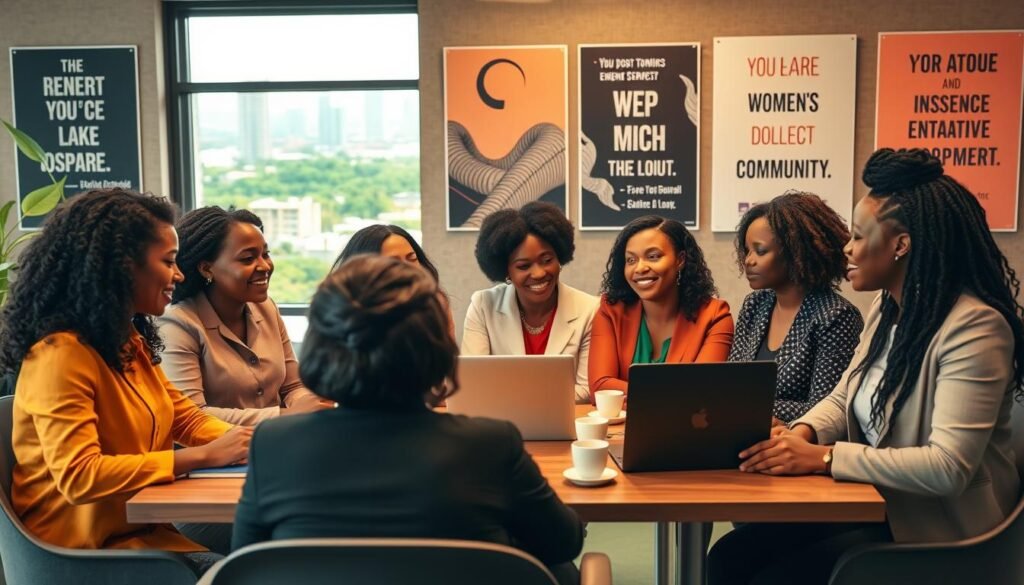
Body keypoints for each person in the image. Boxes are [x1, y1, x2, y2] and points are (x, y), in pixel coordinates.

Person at [710, 148, 1024, 585]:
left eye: (858, 236)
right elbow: (844, 396)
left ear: (900, 245)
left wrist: (823, 457)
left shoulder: (976, 329)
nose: (847, 248)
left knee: (763, 572)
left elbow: (948, 467)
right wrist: (801, 433)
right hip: (882, 503)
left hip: (942, 530)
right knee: (731, 556)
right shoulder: (887, 308)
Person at [232, 255, 584, 584]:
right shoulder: (490, 444)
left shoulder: (273, 444)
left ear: (321, 346)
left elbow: (247, 563)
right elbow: (562, 543)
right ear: (434, 347)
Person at [0, 189, 251, 577]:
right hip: (84, 556)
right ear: (121, 266)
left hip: (141, 536)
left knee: (258, 553)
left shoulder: (125, 340)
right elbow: (80, 477)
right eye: (169, 261)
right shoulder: (61, 355)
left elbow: (185, 418)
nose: (179, 275)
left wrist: (249, 447)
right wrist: (202, 456)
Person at [156, 206, 329, 554]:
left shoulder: (266, 308)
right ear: (207, 268)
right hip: (203, 491)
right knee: (309, 529)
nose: (265, 266)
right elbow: (191, 416)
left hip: (270, 467)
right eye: (248, 258)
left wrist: (306, 405)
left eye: (265, 254)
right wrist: (283, 419)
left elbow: (292, 386)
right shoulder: (178, 323)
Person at [728, 192, 863, 425]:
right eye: (747, 251)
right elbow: (730, 384)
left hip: (798, 447)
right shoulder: (755, 305)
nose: (748, 261)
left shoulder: (836, 316)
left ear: (796, 252)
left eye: (760, 251)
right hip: (742, 432)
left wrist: (747, 407)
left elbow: (826, 407)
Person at [463, 202, 599, 403]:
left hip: (564, 427)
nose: (539, 273)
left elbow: (586, 389)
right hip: (500, 425)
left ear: (559, 257)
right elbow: (472, 382)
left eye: (547, 260)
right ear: (506, 271)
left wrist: (515, 398)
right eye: (523, 266)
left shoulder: (590, 309)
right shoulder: (483, 305)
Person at [589, 215, 733, 399]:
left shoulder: (714, 316)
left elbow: (701, 391)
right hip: (622, 427)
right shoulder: (610, 311)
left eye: (653, 256)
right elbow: (601, 387)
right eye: (631, 260)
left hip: (682, 427)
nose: (640, 268)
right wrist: (672, 394)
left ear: (680, 260)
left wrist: (630, 393)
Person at [332, 223, 455, 337]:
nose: (408, 269)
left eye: (412, 259)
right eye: (394, 263)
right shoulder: (342, 312)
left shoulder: (435, 303)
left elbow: (447, 357)